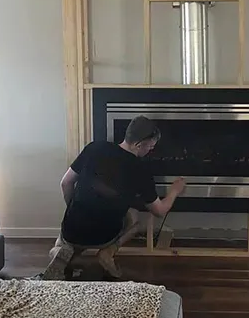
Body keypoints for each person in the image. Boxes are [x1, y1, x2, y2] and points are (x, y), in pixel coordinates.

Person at [43, 115, 186, 280]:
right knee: (135, 220)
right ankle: (107, 252)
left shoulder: (94, 147)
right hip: (104, 235)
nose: (151, 151)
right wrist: (174, 190)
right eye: (150, 147)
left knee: (74, 230)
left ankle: (64, 252)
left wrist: (72, 208)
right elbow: (159, 211)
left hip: (71, 229)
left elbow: (65, 183)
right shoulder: (141, 170)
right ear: (139, 145)